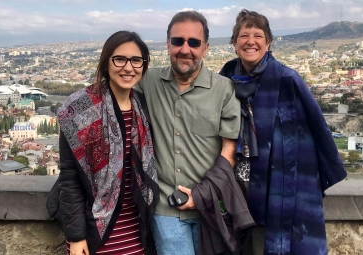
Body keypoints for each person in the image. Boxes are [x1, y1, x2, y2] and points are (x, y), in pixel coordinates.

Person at [219, 9, 347, 255]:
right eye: (244, 35)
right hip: (236, 184)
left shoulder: (287, 79)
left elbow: (315, 129)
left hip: (277, 183)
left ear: (268, 42)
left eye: (258, 35)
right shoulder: (224, 79)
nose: (251, 41)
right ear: (234, 43)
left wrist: (317, 175)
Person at [136, 11, 241, 255]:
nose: (185, 49)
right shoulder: (147, 81)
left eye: (194, 42)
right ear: (168, 45)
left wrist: (202, 194)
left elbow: (230, 149)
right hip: (165, 208)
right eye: (178, 41)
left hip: (212, 206)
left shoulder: (223, 89)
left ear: (205, 48)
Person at [56, 31, 159, 255]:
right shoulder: (79, 109)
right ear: (106, 62)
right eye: (120, 59)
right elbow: (69, 177)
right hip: (95, 232)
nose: (128, 68)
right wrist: (76, 236)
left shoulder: (142, 106)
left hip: (136, 230)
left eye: (136, 60)